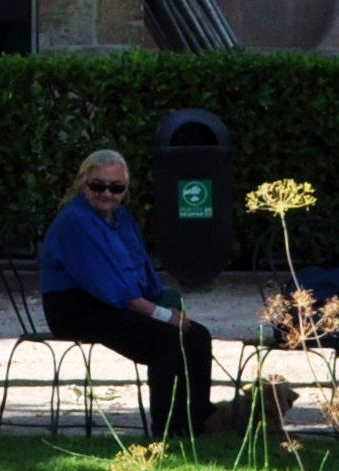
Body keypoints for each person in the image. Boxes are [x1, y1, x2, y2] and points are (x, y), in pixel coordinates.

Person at [35, 147, 221, 440]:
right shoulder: (75, 222)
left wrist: (166, 302)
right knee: (166, 340)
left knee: (198, 335)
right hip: (77, 307)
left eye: (116, 187)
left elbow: (140, 270)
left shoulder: (121, 218)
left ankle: (198, 422)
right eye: (98, 186)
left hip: (115, 304)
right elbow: (112, 290)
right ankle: (167, 431)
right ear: (83, 183)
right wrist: (161, 314)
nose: (107, 193)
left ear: (125, 189)